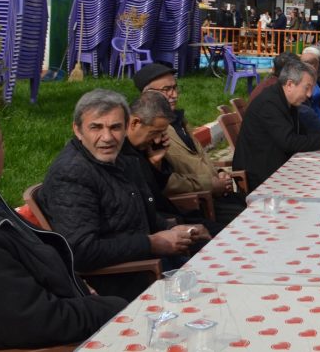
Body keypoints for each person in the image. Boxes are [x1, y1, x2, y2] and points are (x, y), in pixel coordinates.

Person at [0, 104, 126, 349]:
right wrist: (115, 307)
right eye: (1, 144)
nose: (4, 149)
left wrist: (74, 282)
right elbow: (41, 322)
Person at [40, 90, 210, 300]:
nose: (107, 137)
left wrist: (174, 229)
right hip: (127, 282)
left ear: (126, 126)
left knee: (222, 263)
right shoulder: (72, 174)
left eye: (115, 127)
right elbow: (81, 251)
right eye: (96, 127)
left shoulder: (121, 159)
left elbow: (143, 215)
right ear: (78, 130)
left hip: (154, 264)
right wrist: (151, 243)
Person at [132, 64, 242, 223]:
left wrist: (218, 173)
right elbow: (168, 182)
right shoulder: (153, 133)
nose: (174, 94)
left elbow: (200, 158)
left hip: (216, 195)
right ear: (147, 95)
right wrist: (211, 184)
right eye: (166, 90)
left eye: (175, 88)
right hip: (196, 203)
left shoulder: (179, 121)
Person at [233, 57, 320, 190]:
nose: (310, 94)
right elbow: (289, 141)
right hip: (261, 175)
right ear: (289, 84)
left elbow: (301, 133)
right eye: (307, 88)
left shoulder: (286, 99)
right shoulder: (269, 103)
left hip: (278, 164)